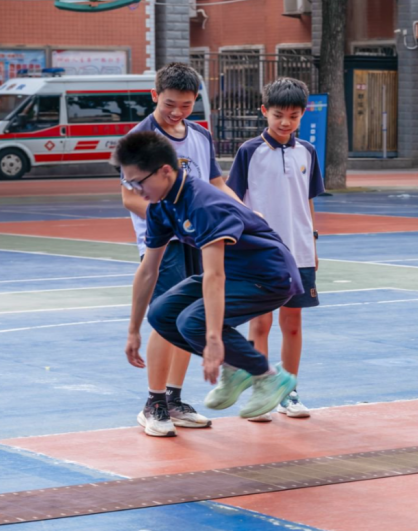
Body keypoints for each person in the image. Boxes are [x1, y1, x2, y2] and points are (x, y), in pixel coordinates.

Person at [118, 131, 300, 421]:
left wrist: (214, 340)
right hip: (235, 272)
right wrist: (133, 330)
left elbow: (214, 276)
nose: (135, 190)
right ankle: (236, 367)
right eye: (129, 182)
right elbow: (148, 270)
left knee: (193, 321)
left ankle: (268, 375)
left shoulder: (203, 204)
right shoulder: (160, 206)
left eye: (138, 181)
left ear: (165, 171)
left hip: (269, 274)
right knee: (162, 312)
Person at [120, 62, 243, 437]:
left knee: (192, 317)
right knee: (165, 317)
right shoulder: (140, 139)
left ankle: (173, 398)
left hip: (199, 240)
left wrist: (247, 213)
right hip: (166, 243)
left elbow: (217, 185)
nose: (177, 112)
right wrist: (174, 221)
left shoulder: (200, 137)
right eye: (170, 103)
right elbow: (129, 197)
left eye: (186, 105)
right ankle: (153, 402)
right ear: (154, 95)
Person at [226, 78, 325, 422]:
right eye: (279, 115)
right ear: (264, 111)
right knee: (260, 325)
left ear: (303, 115)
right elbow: (232, 198)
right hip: (261, 253)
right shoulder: (249, 152)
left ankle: (289, 391)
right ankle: (261, 390)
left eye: (294, 116)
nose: (286, 122)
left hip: (298, 251)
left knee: (293, 324)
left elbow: (308, 201)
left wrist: (312, 243)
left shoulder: (307, 152)